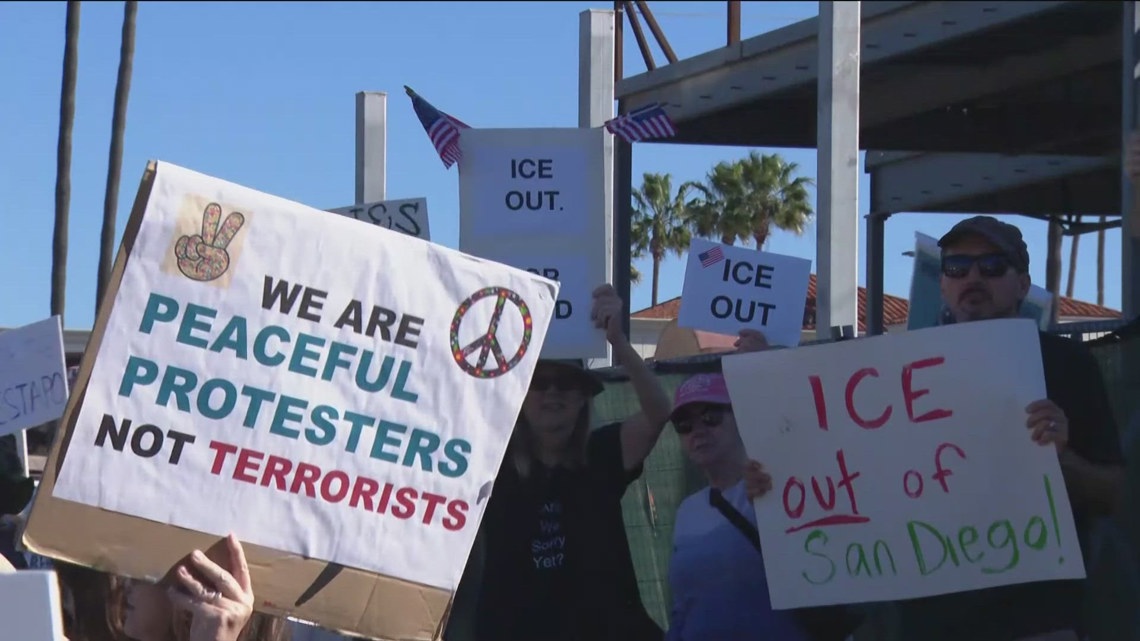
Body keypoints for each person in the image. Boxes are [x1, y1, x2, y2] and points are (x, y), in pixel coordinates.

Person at [744, 215, 1125, 641]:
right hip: (929, 624)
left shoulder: (1068, 365)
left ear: (1022, 284)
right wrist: (775, 481)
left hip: (1037, 621)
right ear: (943, 284)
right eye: (957, 268)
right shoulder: (893, 371)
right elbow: (850, 471)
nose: (973, 277)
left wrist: (1062, 458)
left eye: (993, 266)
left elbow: (1113, 493)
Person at [451, 283, 673, 641]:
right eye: (540, 383)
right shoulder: (491, 464)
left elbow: (659, 412)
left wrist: (618, 342)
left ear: (584, 398)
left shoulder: (602, 455)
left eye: (567, 384)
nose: (553, 392)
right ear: (520, 396)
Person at [666, 330, 862, 641]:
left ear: (741, 417)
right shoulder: (687, 512)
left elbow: (817, 440)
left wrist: (766, 367)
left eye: (711, 416)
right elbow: (683, 607)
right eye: (684, 425)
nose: (698, 431)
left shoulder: (783, 488)